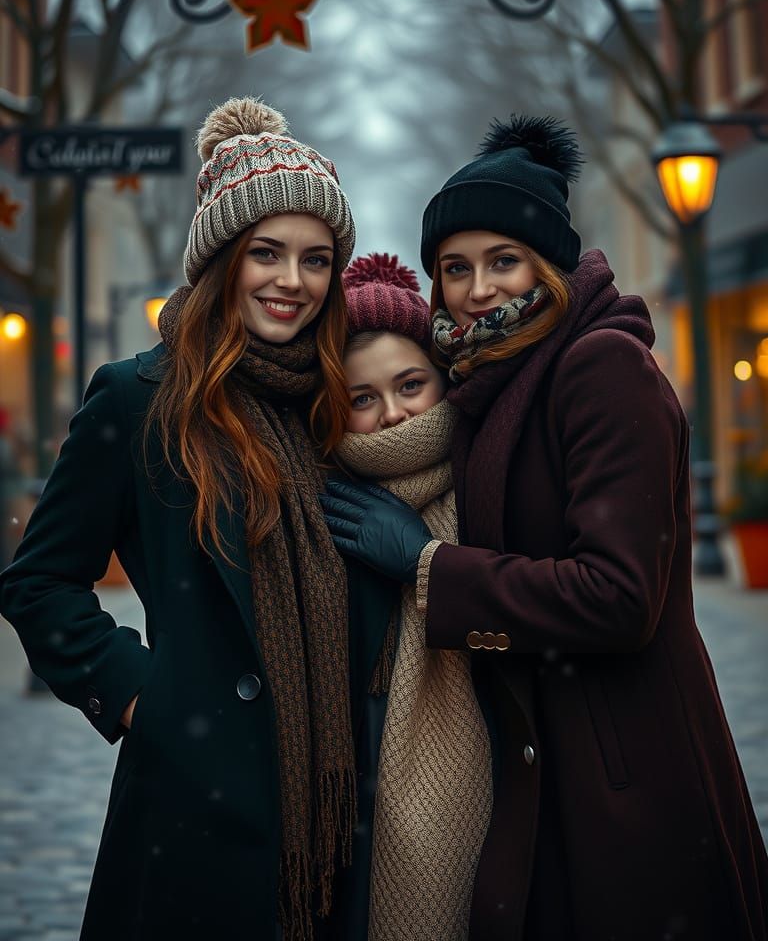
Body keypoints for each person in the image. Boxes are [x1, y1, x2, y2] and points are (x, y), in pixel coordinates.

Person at [320, 114, 768, 940]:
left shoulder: (600, 368)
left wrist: (430, 568)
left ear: (549, 263)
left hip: (624, 765)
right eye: (455, 269)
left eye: (503, 261)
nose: (479, 288)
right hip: (548, 762)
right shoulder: (494, 377)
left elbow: (619, 596)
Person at [0, 95, 387, 941]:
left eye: (317, 260)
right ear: (223, 259)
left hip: (336, 816)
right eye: (268, 253)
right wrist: (145, 698)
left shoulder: (332, 406)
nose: (293, 281)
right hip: (193, 807)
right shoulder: (139, 401)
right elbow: (39, 582)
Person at [334, 252, 492, 940]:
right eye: (362, 399)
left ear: (442, 379)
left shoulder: (492, 479)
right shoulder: (319, 505)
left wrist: (425, 564)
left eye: (409, 385)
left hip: (499, 787)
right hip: (348, 805)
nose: (393, 415)